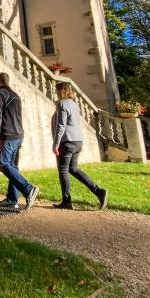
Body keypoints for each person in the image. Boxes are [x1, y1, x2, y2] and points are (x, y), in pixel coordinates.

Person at [52, 81, 108, 210]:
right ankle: (99, 191)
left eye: (57, 91)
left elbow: (61, 125)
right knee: (73, 169)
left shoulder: (61, 104)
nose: (56, 93)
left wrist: (56, 144)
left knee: (63, 171)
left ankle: (66, 201)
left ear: (61, 91)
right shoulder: (74, 105)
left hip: (66, 142)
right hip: (78, 141)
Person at [0, 72, 39, 210]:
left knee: (3, 164)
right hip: (19, 135)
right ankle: (13, 199)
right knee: (12, 166)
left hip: (7, 135)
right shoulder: (16, 96)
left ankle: (28, 188)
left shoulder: (0, 94)